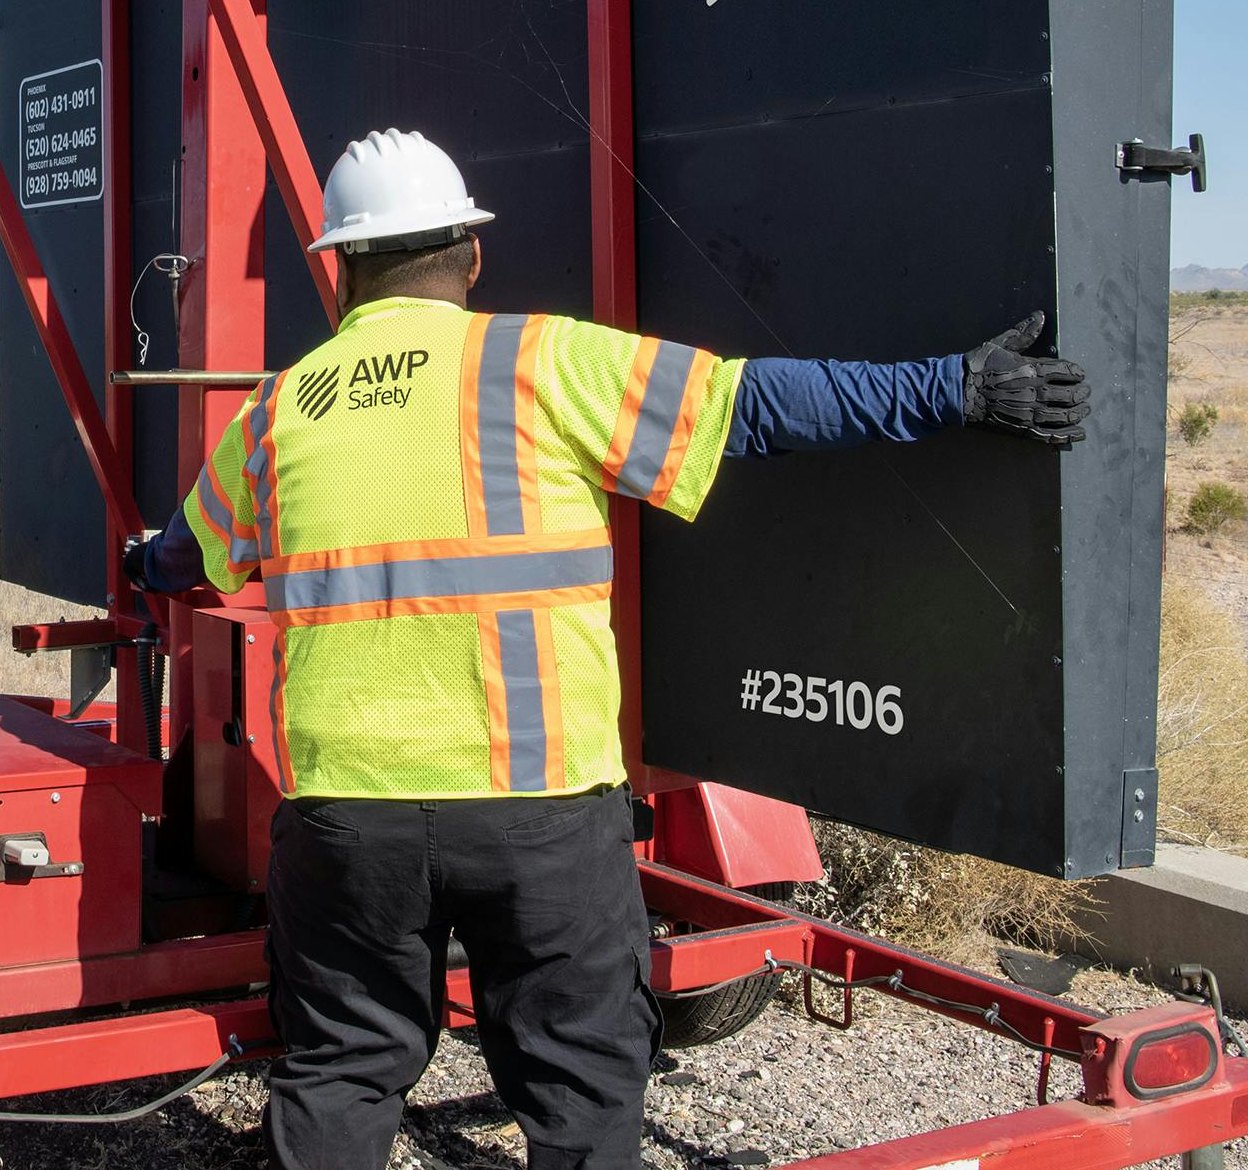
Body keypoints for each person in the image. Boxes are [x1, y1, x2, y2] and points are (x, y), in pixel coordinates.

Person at [121, 128, 1087, 1170]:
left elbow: (185, 556)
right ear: (472, 256)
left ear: (338, 263)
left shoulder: (280, 406)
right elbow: (755, 404)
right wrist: (957, 388)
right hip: (539, 815)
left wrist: (144, 562)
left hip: (348, 823)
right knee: (580, 1088)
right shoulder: (540, 359)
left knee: (342, 1071)